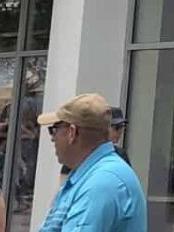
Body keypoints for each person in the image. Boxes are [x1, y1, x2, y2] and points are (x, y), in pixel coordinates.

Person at [37, 94, 146, 232]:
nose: (53, 138)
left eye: (54, 130)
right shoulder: (87, 174)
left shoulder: (102, 182)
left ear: (72, 132)